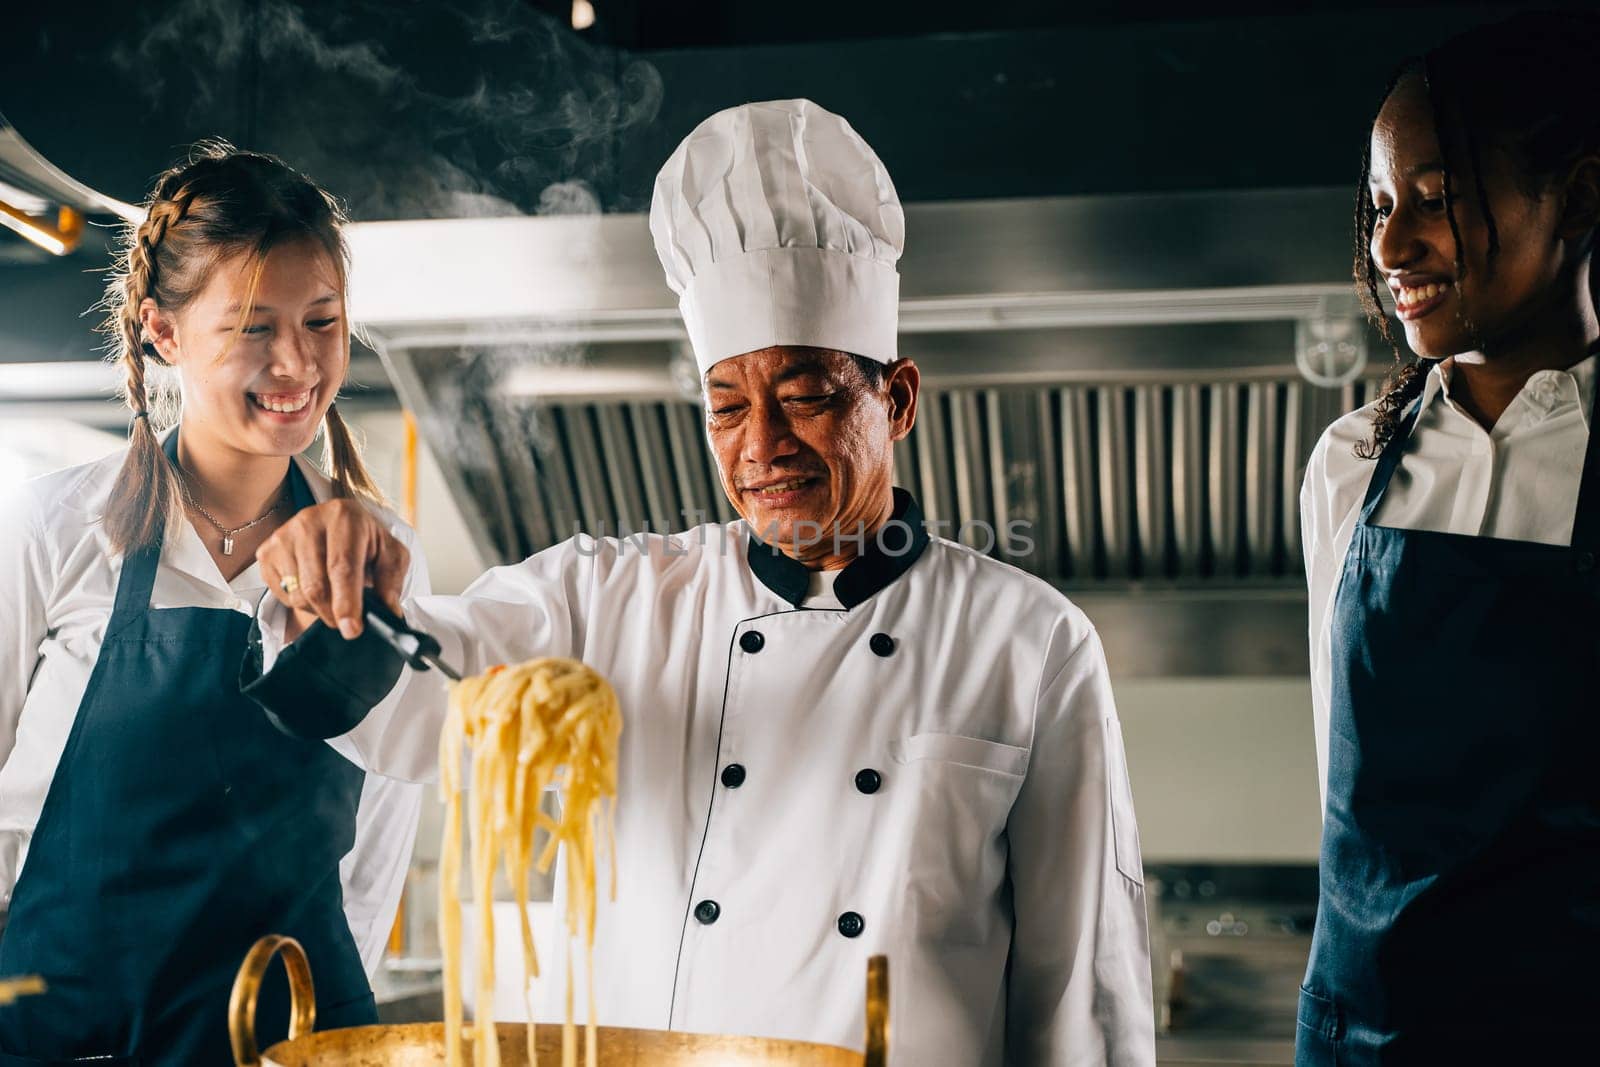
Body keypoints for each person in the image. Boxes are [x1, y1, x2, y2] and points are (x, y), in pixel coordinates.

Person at [244, 100, 1155, 1064]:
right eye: (727, 406)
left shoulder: (1030, 643)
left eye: (804, 398)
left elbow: (1080, 992)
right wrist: (341, 595)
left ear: (896, 399)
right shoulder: (610, 598)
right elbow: (423, 699)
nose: (761, 445)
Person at [0, 144, 428, 1065]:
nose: (298, 363)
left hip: (297, 1043)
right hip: (71, 1039)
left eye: (322, 321)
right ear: (162, 331)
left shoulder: (382, 561)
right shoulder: (51, 531)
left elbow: (378, 851)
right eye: (251, 326)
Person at [1297, 13, 1600, 1065]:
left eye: (1436, 199)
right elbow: (1342, 796)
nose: (1389, 246)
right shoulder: (1348, 462)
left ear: (1580, 195)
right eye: (1380, 206)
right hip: (1356, 1034)